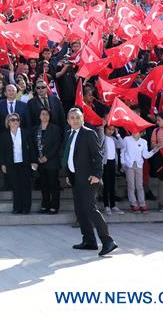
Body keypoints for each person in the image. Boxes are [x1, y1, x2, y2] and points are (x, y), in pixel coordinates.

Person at [64, 108, 117, 256]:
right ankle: (89, 241)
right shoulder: (68, 134)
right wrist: (69, 174)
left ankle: (108, 241)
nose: (75, 120)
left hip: (89, 178)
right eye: (72, 118)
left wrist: (97, 174)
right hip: (75, 178)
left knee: (90, 209)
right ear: (68, 121)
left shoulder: (89, 133)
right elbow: (69, 156)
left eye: (77, 117)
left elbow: (98, 155)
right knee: (80, 210)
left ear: (82, 119)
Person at [0, 113, 32, 214]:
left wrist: (34, 162)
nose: (15, 121)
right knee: (16, 186)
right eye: (12, 120)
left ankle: (26, 208)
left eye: (17, 119)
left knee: (25, 186)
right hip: (11, 164)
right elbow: (2, 151)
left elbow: (32, 148)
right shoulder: (4, 135)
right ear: (8, 122)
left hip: (24, 163)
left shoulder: (25, 133)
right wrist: (3, 164)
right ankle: (17, 207)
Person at [30, 107, 62, 213]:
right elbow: (33, 146)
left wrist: (46, 157)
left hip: (52, 161)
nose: (45, 116)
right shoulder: (35, 129)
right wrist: (36, 159)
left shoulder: (55, 129)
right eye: (42, 114)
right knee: (44, 185)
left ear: (49, 116)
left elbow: (56, 145)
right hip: (40, 162)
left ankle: (54, 206)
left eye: (47, 114)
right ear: (39, 116)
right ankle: (45, 205)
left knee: (53, 184)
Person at [120, 128, 154, 212]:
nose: (134, 133)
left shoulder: (144, 142)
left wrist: (154, 151)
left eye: (136, 131)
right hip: (129, 165)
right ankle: (133, 204)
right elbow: (122, 151)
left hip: (139, 165)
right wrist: (123, 163)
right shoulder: (126, 139)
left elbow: (145, 155)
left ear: (140, 133)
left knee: (139, 185)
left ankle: (142, 203)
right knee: (131, 185)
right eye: (133, 131)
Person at [101, 123, 124, 215]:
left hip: (113, 163)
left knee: (112, 184)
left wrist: (117, 134)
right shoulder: (102, 138)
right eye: (109, 129)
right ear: (105, 129)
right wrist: (102, 127)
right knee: (106, 185)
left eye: (112, 130)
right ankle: (106, 206)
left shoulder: (113, 139)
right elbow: (100, 138)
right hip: (105, 163)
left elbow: (122, 145)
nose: (111, 131)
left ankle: (113, 205)